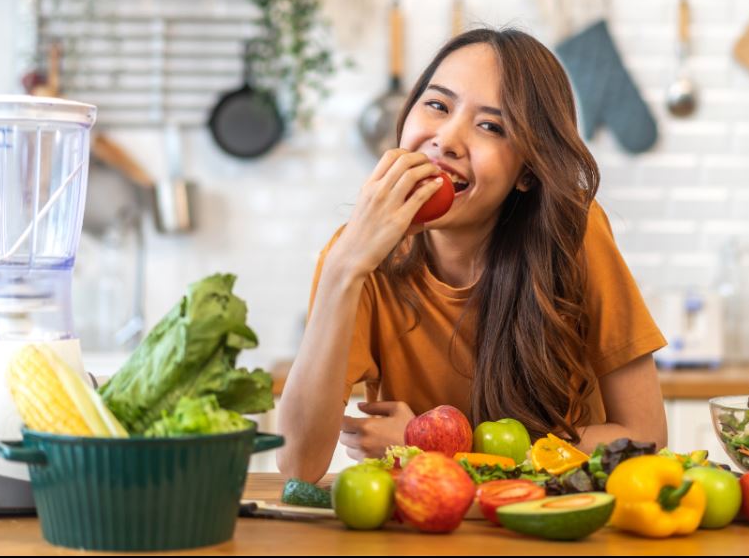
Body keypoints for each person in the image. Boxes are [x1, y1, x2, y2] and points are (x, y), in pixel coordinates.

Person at [277, 27, 667, 482]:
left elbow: (646, 439)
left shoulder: (573, 232)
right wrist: (345, 267)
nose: (446, 139)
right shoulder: (356, 257)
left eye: (490, 126)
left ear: (527, 172)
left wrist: (433, 445)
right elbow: (299, 464)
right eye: (438, 105)